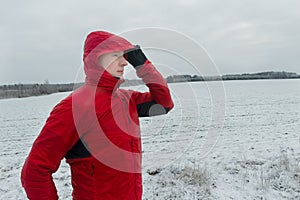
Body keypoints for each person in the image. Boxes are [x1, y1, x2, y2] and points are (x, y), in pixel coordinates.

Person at [21, 31, 174, 200]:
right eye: (115, 55)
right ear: (95, 59)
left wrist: (143, 66)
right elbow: (34, 170)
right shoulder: (73, 107)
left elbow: (164, 103)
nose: (124, 62)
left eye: (125, 56)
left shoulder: (127, 99)